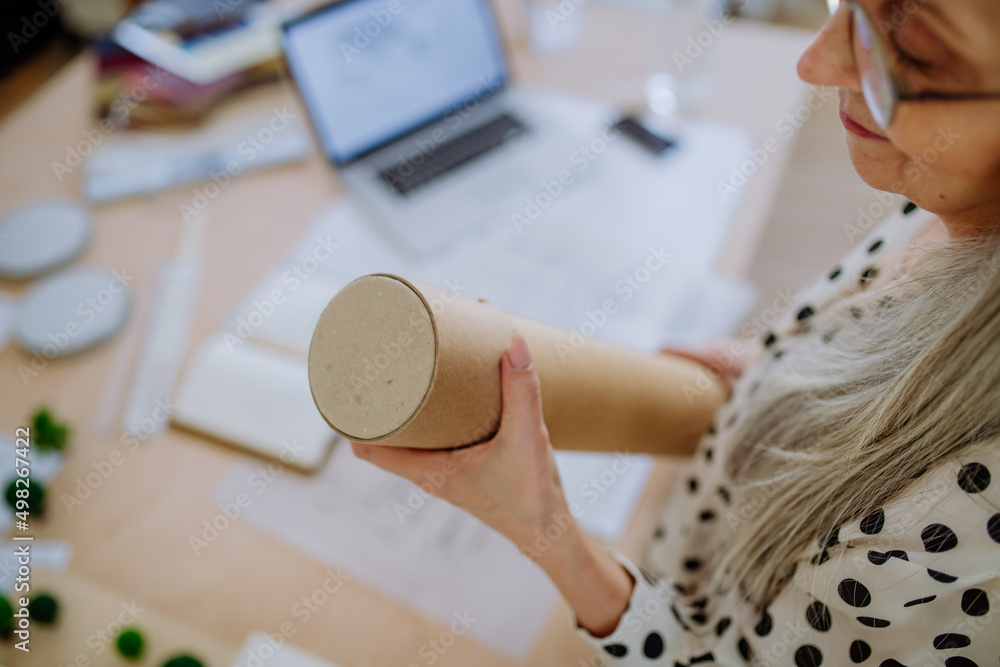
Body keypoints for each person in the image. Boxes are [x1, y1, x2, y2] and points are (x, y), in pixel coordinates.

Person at [352, 0, 1000, 663]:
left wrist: (545, 530)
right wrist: (796, 371)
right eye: (850, 7)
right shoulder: (951, 191)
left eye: (912, 52)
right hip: (708, 523)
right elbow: (908, 334)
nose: (815, 62)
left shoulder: (976, 506)